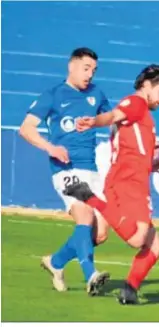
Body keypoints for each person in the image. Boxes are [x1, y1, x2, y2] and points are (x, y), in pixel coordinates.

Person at [63, 64, 159, 305]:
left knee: (155, 246)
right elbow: (112, 116)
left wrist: (151, 164)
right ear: (146, 86)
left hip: (136, 180)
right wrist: (93, 122)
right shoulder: (136, 103)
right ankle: (90, 198)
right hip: (127, 183)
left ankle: (129, 290)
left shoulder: (143, 112)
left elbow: (132, 148)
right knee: (137, 240)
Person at [19, 47, 111, 295]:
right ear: (71, 66)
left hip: (91, 169)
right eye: (85, 68)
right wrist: (50, 148)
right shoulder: (53, 95)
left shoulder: (96, 94)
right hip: (66, 169)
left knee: (100, 234)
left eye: (93, 69)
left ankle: (56, 262)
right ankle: (90, 275)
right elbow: (26, 129)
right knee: (85, 218)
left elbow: (111, 120)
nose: (90, 74)